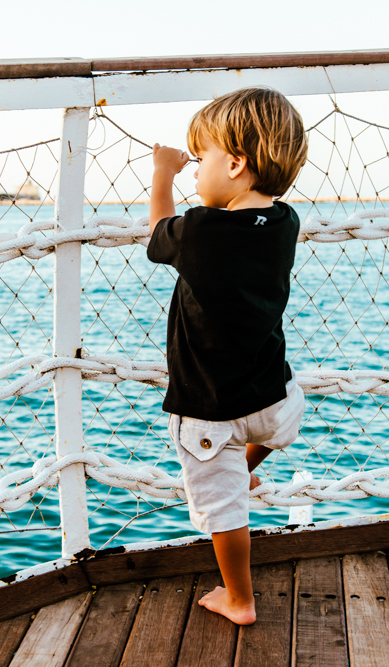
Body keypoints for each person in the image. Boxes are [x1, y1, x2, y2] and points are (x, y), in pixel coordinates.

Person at [147, 87, 308, 625]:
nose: (195, 171)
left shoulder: (199, 229)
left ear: (236, 164)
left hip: (209, 405)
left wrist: (164, 173)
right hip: (271, 393)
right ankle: (246, 469)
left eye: (200, 159)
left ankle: (238, 598)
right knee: (284, 416)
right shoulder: (286, 221)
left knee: (224, 509)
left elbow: (157, 235)